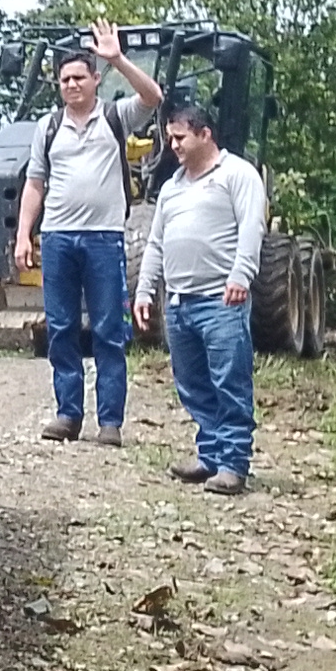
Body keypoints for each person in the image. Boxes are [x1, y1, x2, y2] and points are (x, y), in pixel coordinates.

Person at [12, 21, 167, 442]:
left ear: (96, 80)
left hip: (103, 239)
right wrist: (24, 235)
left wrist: (118, 58)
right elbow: (35, 184)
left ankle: (110, 422)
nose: (72, 85)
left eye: (80, 77)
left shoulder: (116, 116)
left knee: (108, 330)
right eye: (65, 80)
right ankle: (68, 414)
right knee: (61, 328)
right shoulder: (48, 127)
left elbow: (153, 97)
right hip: (58, 239)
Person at [134, 101, 270, 495]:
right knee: (192, 384)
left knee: (229, 381)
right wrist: (144, 290)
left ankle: (233, 463)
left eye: (180, 137)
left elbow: (252, 228)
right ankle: (210, 454)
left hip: (221, 300)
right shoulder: (171, 188)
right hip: (179, 303)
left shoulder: (238, 175)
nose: (173, 145)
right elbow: (156, 244)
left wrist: (241, 275)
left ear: (205, 134)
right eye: (170, 138)